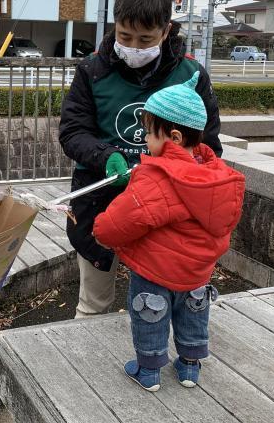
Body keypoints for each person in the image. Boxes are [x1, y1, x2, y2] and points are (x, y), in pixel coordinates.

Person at [59, 0, 222, 319]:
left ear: (166, 31)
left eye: (145, 39)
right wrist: (106, 158)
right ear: (114, 26)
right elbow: (73, 132)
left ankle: (153, 359)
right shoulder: (92, 70)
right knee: (94, 303)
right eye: (124, 36)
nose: (133, 47)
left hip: (167, 209)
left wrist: (168, 174)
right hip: (100, 201)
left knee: (161, 302)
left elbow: (207, 145)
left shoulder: (190, 74)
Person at [93, 73, 245, 391]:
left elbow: (121, 221)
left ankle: (148, 372)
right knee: (193, 315)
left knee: (151, 317)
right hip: (197, 272)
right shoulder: (217, 174)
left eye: (149, 133)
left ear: (173, 136)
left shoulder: (159, 177)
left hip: (155, 271)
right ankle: (189, 367)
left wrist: (99, 231)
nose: (144, 140)